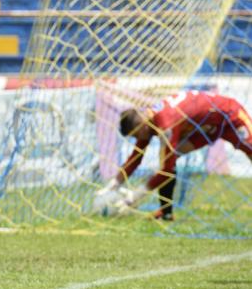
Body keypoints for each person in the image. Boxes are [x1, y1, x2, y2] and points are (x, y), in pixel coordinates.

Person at [101, 90, 252, 220]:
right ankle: (166, 213)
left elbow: (165, 171)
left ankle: (164, 210)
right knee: (171, 158)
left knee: (167, 163)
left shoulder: (166, 125)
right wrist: (113, 184)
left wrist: (135, 196)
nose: (137, 139)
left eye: (136, 135)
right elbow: (136, 157)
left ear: (141, 126)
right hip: (205, 128)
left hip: (230, 116)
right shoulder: (148, 121)